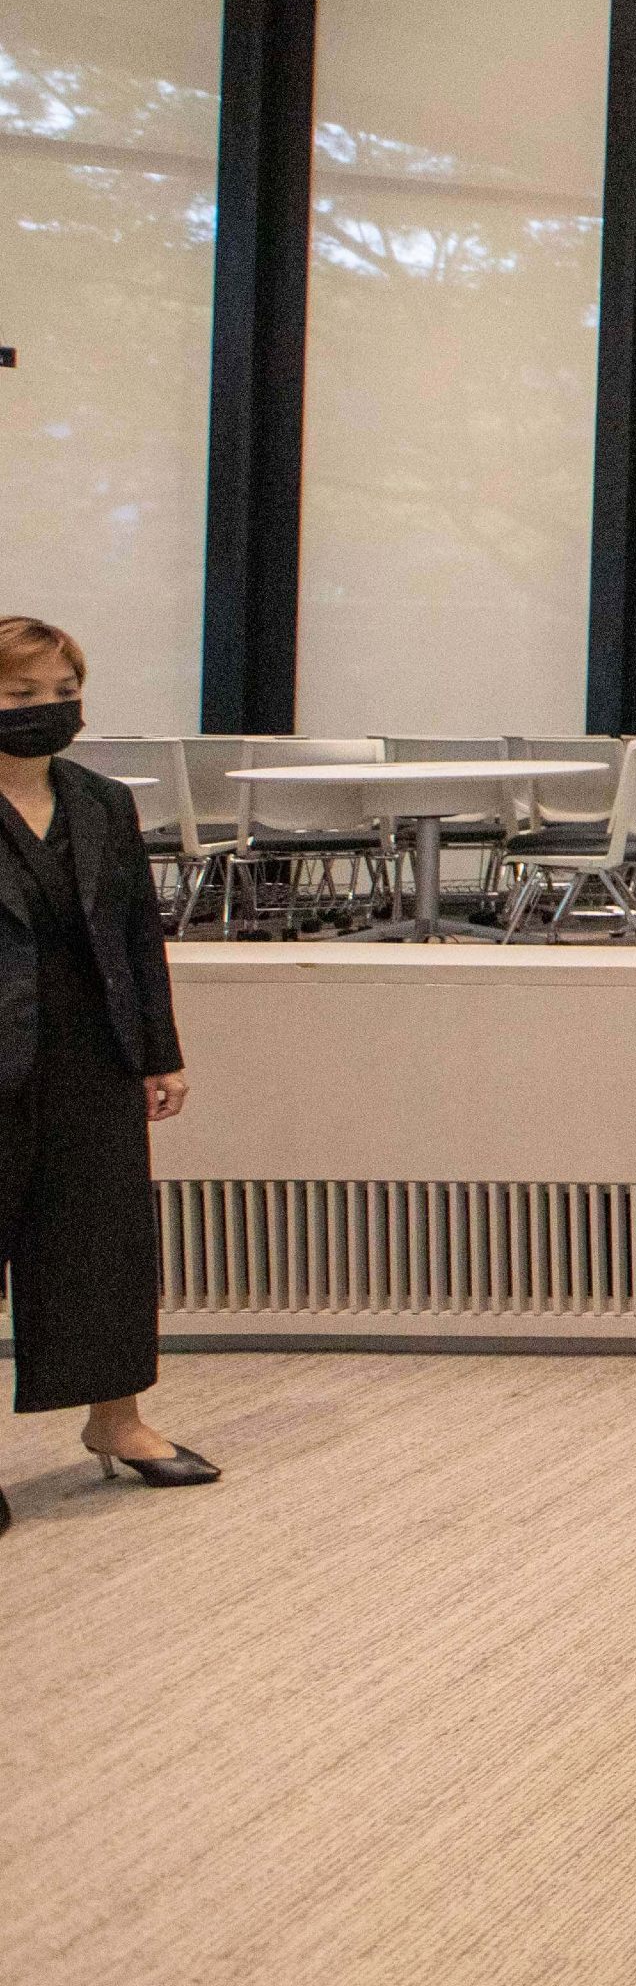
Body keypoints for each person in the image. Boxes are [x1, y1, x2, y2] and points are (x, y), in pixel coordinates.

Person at [0, 615, 217, 1535]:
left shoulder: (100, 801)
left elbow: (137, 937)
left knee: (101, 1243)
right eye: (22, 695)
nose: (48, 709)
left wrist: (160, 1051)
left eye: (64, 693)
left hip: (91, 1051)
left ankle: (116, 1421)